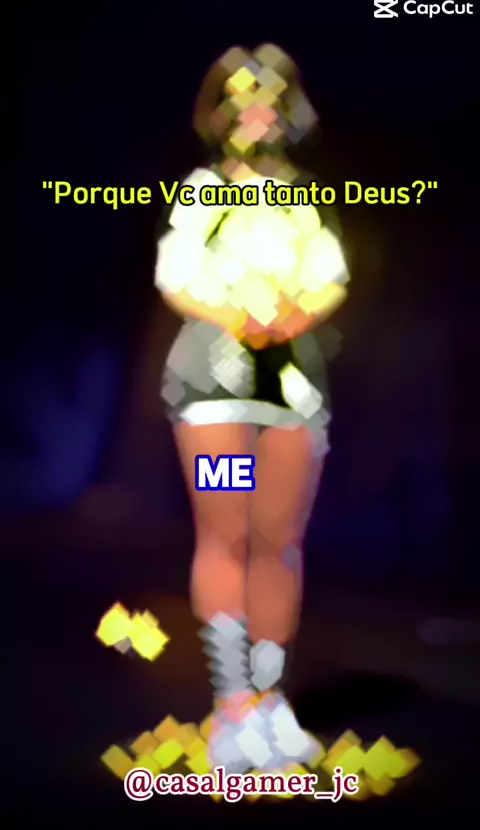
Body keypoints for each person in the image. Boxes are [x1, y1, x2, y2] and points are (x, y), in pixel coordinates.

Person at [154, 44, 349, 773]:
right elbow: (176, 277)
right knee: (227, 535)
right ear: (221, 112)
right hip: (217, 394)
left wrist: (295, 316)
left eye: (269, 96)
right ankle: (232, 706)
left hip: (291, 395)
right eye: (240, 98)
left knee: (278, 541)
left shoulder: (303, 197)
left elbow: (330, 275)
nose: (256, 110)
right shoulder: (203, 191)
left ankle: (269, 702)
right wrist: (236, 316)